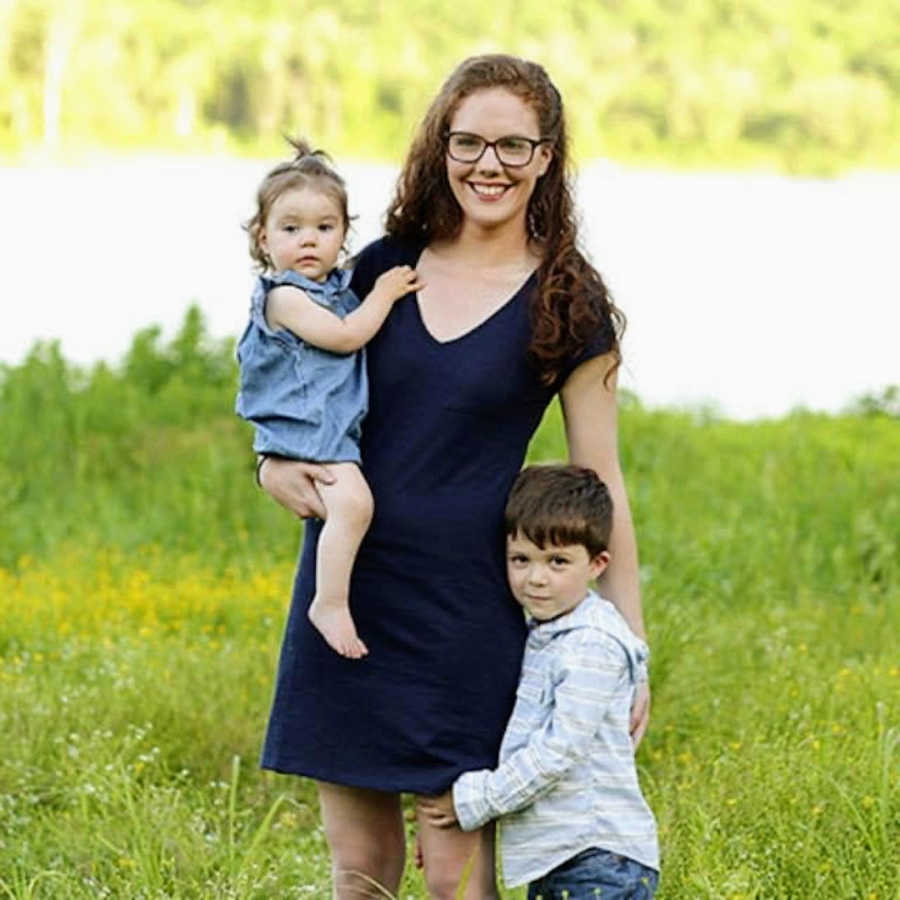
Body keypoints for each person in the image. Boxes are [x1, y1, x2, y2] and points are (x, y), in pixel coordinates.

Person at [258, 54, 651, 899]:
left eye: (514, 146)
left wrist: (631, 645)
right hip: (347, 592)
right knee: (359, 871)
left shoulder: (570, 300)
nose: (490, 164)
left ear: (547, 157)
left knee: (455, 876)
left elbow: (602, 479)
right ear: (442, 148)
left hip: (472, 612)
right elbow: (293, 387)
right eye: (469, 142)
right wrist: (271, 464)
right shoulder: (377, 265)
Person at [420, 465, 659, 899]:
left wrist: (471, 802)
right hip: (565, 858)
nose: (536, 578)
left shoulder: (590, 645)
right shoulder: (550, 633)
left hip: (596, 856)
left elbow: (557, 751)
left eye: (558, 562)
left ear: (596, 564)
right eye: (521, 560)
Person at [236, 140, 422, 658]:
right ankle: (330, 602)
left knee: (348, 505)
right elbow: (344, 336)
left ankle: (334, 596)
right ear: (264, 236)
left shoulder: (335, 286)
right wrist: (384, 294)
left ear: (343, 233)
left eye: (325, 227)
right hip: (307, 432)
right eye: (290, 228)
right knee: (355, 504)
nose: (309, 241)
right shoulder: (286, 297)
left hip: (326, 428)